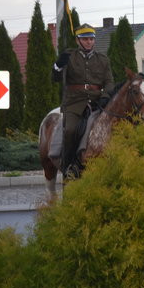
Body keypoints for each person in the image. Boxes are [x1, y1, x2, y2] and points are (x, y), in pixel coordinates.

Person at [52, 23, 114, 177]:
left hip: (97, 102)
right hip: (74, 102)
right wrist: (58, 66)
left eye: (91, 39)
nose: (89, 42)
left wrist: (106, 96)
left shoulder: (103, 59)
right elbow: (56, 78)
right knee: (71, 130)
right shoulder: (70, 56)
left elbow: (109, 82)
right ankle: (69, 165)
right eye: (85, 39)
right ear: (77, 40)